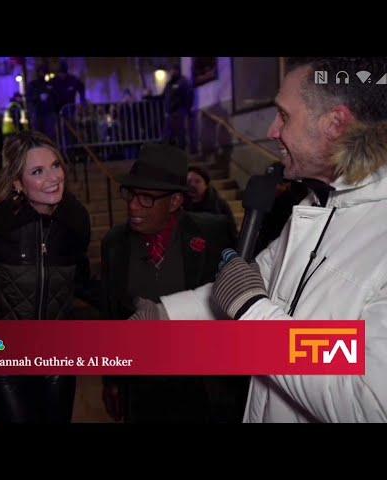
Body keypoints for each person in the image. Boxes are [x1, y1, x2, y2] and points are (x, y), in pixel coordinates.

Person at [131, 57, 387, 423]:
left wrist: (253, 312)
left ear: (335, 124)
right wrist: (167, 315)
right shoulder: (316, 206)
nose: (271, 130)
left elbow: (371, 403)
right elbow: (243, 286)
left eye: (284, 115)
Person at [100, 143, 245, 423]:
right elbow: (111, 315)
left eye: (146, 198)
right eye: (130, 194)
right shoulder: (114, 244)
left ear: (176, 201)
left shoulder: (214, 233)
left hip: (202, 389)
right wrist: (112, 380)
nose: (132, 206)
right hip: (141, 388)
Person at [0, 130, 92, 423]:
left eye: (55, 165)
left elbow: (81, 281)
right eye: (37, 172)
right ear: (18, 182)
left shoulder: (75, 220)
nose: (53, 177)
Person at [184, 165, 238, 237]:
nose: (192, 185)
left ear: (206, 185)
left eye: (197, 181)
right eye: (189, 181)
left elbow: (232, 232)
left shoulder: (220, 205)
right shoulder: (180, 204)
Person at [162, 64, 193, 149]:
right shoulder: (169, 84)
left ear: (177, 70)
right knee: (168, 134)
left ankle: (181, 152)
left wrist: (187, 108)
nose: (171, 72)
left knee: (180, 133)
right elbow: (163, 95)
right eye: (170, 70)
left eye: (173, 70)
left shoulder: (183, 81)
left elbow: (188, 96)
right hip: (170, 112)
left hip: (179, 111)